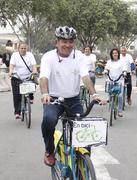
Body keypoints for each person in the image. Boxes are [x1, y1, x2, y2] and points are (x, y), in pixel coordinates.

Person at [39, 26, 106, 167]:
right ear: (56, 42)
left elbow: (85, 77)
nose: (67, 45)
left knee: (83, 130)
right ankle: (49, 150)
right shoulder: (48, 57)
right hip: (53, 99)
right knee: (49, 120)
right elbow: (43, 77)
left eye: (71, 41)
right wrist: (45, 93)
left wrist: (94, 94)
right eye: (64, 41)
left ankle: (83, 164)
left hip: (73, 99)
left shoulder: (79, 56)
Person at [8, 42, 37, 119]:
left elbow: (34, 65)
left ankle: (30, 97)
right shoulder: (15, 55)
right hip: (16, 76)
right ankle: (17, 112)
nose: (23, 50)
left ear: (26, 49)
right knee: (16, 95)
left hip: (28, 76)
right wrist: (10, 72)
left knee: (31, 85)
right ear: (18, 49)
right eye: (22, 48)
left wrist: (34, 72)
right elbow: (12, 65)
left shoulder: (30, 55)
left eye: (25, 48)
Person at [104, 48, 127, 117]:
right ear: (111, 54)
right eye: (113, 53)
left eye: (116, 53)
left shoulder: (122, 62)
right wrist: (105, 71)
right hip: (111, 80)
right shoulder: (109, 62)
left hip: (120, 81)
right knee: (110, 95)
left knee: (120, 96)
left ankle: (120, 111)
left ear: (118, 54)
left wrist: (124, 73)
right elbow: (106, 69)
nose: (115, 54)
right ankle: (111, 106)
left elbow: (124, 69)